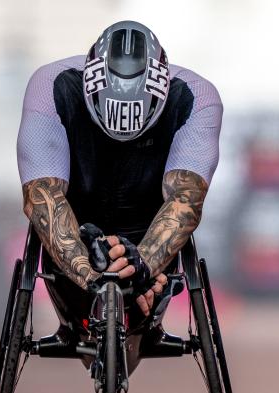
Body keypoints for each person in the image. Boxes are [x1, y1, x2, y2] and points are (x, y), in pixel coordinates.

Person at [17, 20, 222, 371]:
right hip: (77, 234)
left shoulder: (196, 97)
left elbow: (185, 200)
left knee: (167, 231)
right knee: (51, 217)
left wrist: (141, 263)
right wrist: (90, 272)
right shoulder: (50, 86)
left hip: (149, 242)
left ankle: (137, 317)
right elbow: (43, 197)